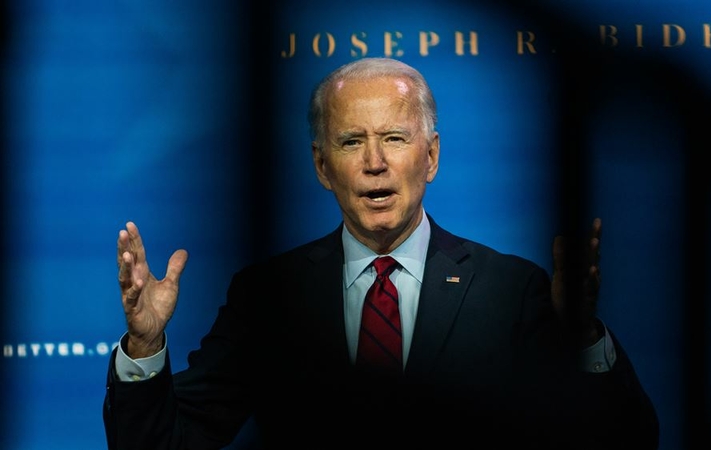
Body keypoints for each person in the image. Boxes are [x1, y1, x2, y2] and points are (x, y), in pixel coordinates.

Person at [103, 57, 659, 449]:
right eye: (351, 142)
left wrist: (584, 337)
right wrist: (146, 345)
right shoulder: (269, 296)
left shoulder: (511, 290)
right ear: (323, 166)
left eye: (395, 138)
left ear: (432, 157)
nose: (375, 162)